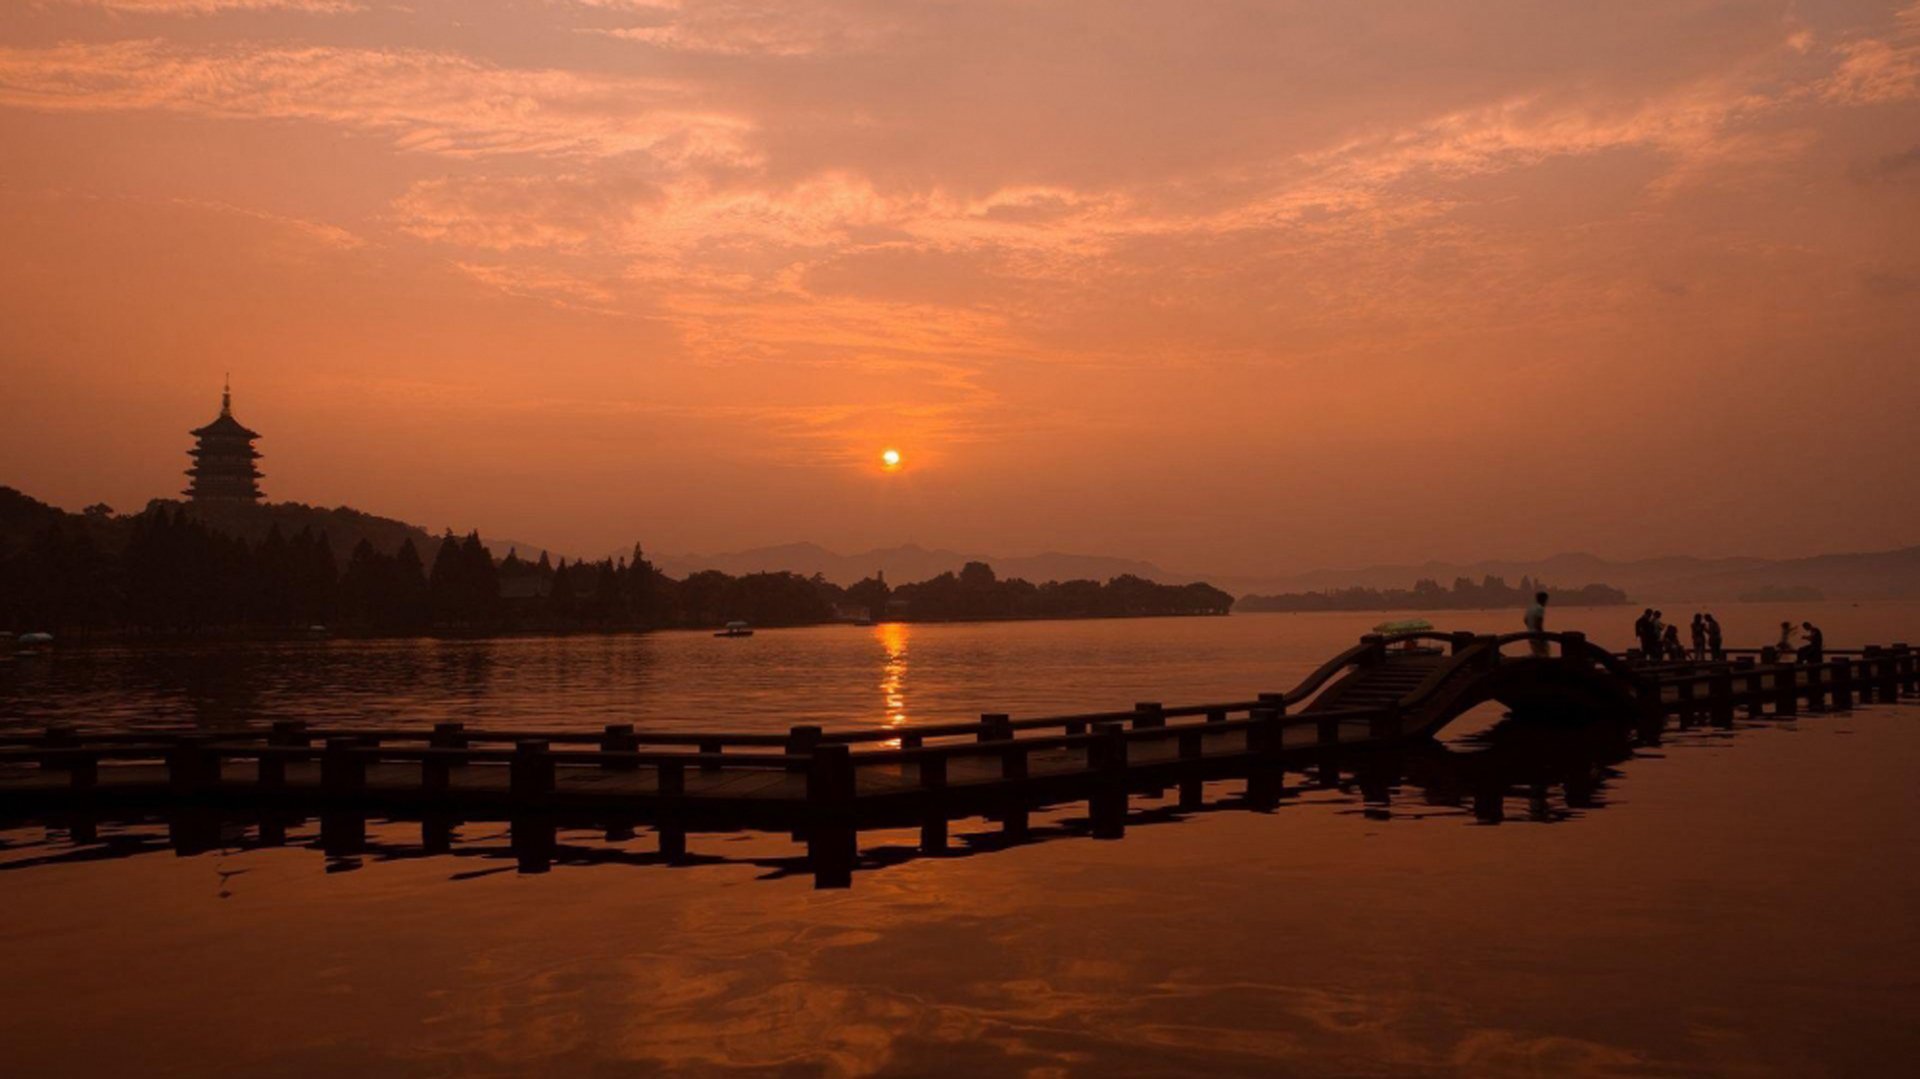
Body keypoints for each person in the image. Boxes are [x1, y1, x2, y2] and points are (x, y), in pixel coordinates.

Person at [1524, 591, 1549, 656]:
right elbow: (1538, 624)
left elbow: (1525, 620)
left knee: (1536, 654)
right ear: (1543, 599)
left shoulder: (1531, 608)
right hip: (1537, 636)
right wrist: (1542, 637)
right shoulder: (1540, 608)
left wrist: (1530, 627)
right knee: (1544, 654)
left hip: (1530, 635)